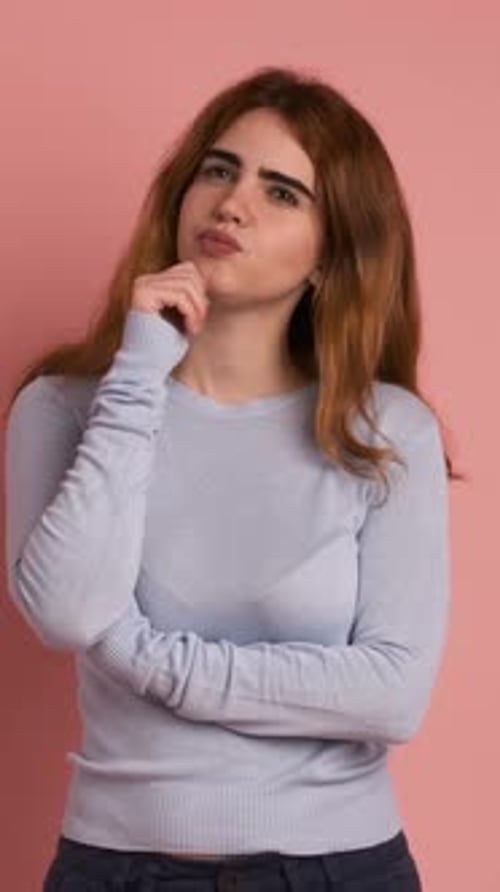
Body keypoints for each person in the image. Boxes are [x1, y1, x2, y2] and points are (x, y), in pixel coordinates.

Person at [3, 65, 461, 892]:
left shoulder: (385, 429)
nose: (232, 204)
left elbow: (391, 694)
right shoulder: (65, 406)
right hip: (115, 869)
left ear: (332, 256)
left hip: (340, 871)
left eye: (283, 192)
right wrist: (140, 369)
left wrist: (142, 655)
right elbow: (68, 612)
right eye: (219, 170)